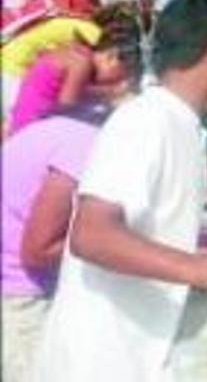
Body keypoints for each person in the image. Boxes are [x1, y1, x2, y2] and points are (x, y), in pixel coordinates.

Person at [34, 0, 207, 381]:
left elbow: (152, 224)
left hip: (140, 347)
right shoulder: (144, 121)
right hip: (98, 361)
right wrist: (199, 267)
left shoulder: (181, 121)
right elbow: (91, 235)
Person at [1, 103, 114, 382]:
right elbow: (39, 251)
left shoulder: (65, 131)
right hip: (22, 298)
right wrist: (116, 245)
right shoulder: (84, 147)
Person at [8, 8, 140, 134]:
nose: (111, 83)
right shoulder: (81, 63)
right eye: (116, 78)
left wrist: (108, 93)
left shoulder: (78, 54)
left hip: (25, 124)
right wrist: (111, 93)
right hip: (30, 129)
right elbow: (66, 110)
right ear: (111, 58)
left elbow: (79, 91)